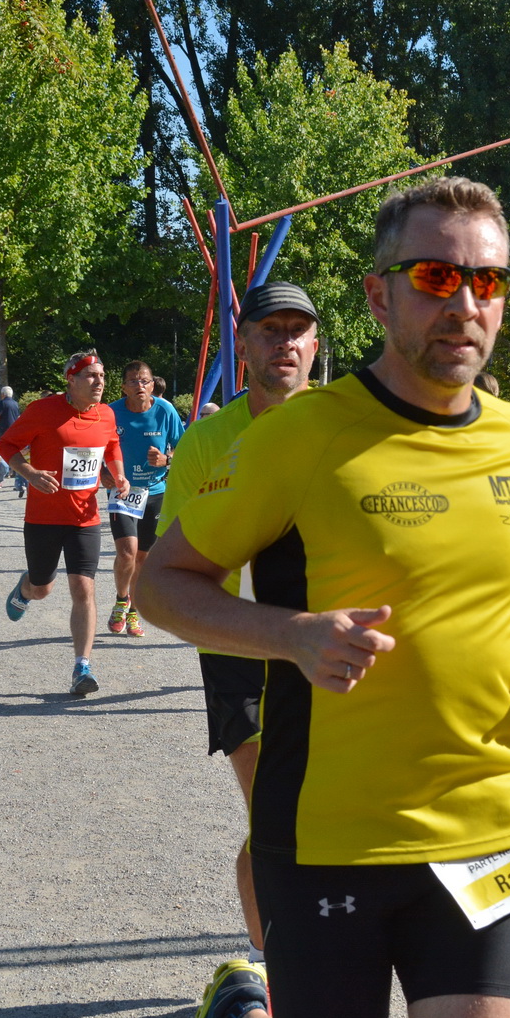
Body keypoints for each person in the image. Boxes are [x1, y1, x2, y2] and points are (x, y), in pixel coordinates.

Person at [137, 177, 510, 1018]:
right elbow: (160, 581)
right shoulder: (299, 437)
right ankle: (246, 1012)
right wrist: (293, 634)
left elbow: (490, 599)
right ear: (378, 296)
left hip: (483, 826)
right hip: (327, 835)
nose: (465, 303)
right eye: (435, 277)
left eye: (488, 281)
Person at [154, 279, 323, 964]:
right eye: (269, 330)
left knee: (321, 814)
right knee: (275, 817)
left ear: (315, 344)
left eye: (296, 330)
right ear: (245, 342)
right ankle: (275, 964)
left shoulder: (345, 427)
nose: (284, 342)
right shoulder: (207, 442)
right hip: (238, 652)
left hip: (326, 649)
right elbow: (172, 570)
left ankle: (298, 955)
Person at [0, 350, 128, 696]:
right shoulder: (43, 411)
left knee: (83, 588)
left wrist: (118, 476)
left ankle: (81, 667)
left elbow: (112, 446)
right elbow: (7, 445)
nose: (99, 382)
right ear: (71, 380)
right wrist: (28, 473)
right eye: (91, 376)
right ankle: (26, 587)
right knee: (43, 588)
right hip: (43, 518)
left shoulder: (106, 414)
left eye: (102, 376)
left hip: (85, 518)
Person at [104, 361, 187, 636]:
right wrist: (104, 475)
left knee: (143, 557)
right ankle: (121, 599)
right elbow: (93, 448)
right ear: (123, 387)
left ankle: (134, 611)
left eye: (145, 381)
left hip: (155, 492)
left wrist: (166, 460)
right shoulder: (111, 413)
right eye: (133, 382)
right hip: (123, 491)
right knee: (126, 552)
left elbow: (184, 449)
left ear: (153, 384)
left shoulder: (165, 410)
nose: (140, 386)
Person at [0, 386, 24, 498]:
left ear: (3, 394)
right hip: (14, 429)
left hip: (4, 428)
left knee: (4, 451)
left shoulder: (2, 403)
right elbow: (18, 416)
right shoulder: (15, 403)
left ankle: (7, 471)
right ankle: (13, 471)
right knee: (15, 450)